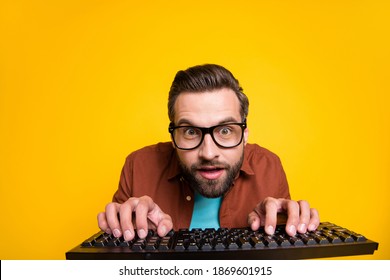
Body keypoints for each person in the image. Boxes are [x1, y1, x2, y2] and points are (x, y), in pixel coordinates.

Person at [97, 64, 319, 241]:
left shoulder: (269, 167)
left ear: (245, 135)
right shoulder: (138, 166)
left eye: (225, 130)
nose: (208, 153)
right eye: (191, 131)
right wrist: (125, 234)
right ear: (174, 137)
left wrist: (284, 231)